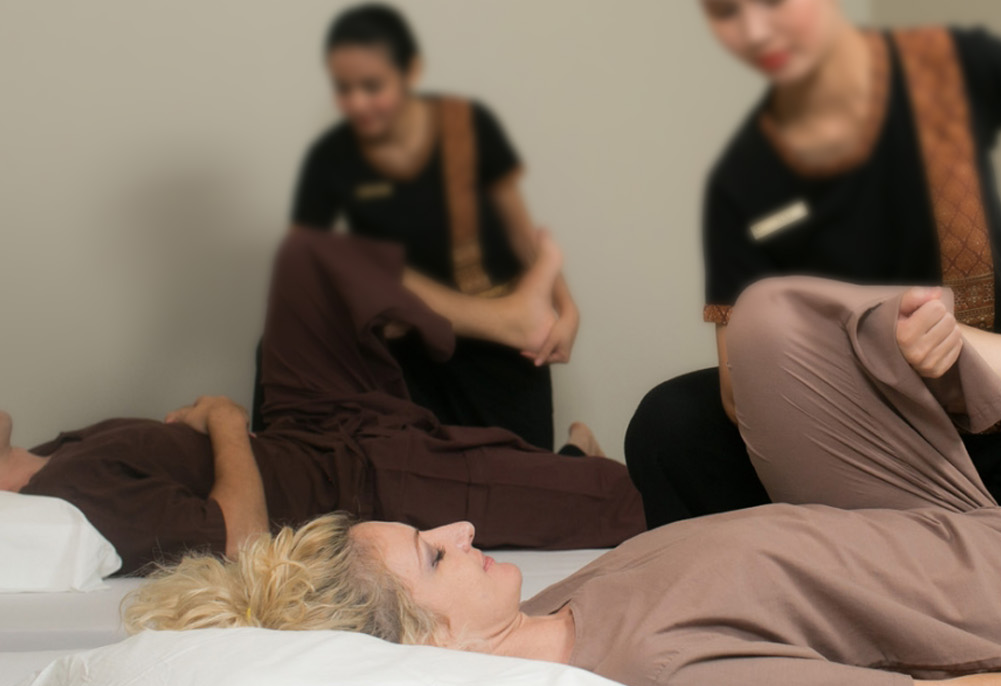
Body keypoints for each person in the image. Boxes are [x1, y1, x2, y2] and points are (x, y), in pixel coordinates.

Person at [123, 279, 1001, 686]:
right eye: (435, 558)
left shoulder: (575, 605)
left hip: (952, 526)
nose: (461, 532)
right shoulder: (654, 672)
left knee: (768, 322)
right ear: (430, 645)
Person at [627, 0, 1001, 526]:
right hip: (860, 443)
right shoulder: (744, 184)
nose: (754, 30)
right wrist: (886, 354)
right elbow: (740, 397)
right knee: (670, 423)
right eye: (726, 11)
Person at [0, 229, 642, 574]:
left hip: (309, 428)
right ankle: (573, 464)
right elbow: (242, 544)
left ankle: (513, 321)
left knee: (309, 261)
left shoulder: (54, 454)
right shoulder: (65, 492)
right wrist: (223, 420)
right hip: (356, 481)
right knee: (630, 499)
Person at [279, 3, 578, 448]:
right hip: (408, 346)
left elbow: (521, 232)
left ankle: (579, 445)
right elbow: (306, 266)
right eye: (343, 88)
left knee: (525, 476)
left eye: (372, 86)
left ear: (411, 71)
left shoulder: (467, 126)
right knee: (348, 264)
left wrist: (568, 311)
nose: (357, 102)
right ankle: (508, 321)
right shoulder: (331, 158)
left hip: (494, 356)